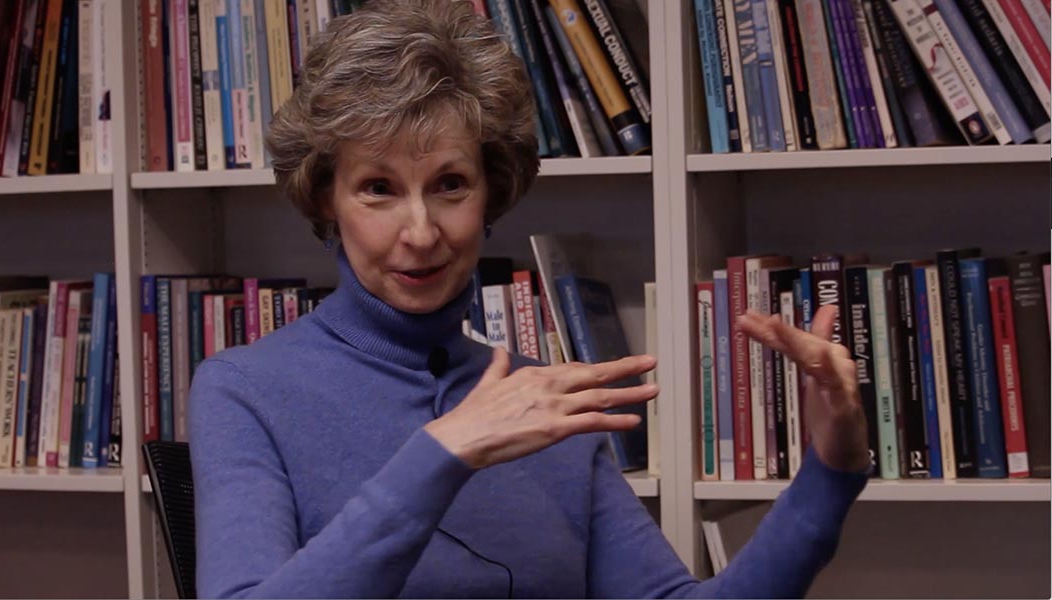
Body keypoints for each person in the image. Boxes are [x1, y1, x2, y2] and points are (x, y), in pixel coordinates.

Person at [188, 0, 871, 597]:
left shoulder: (538, 404)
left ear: (493, 194)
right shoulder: (244, 391)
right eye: (378, 188)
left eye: (451, 184)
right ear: (325, 200)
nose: (421, 233)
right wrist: (443, 452)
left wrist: (829, 471)